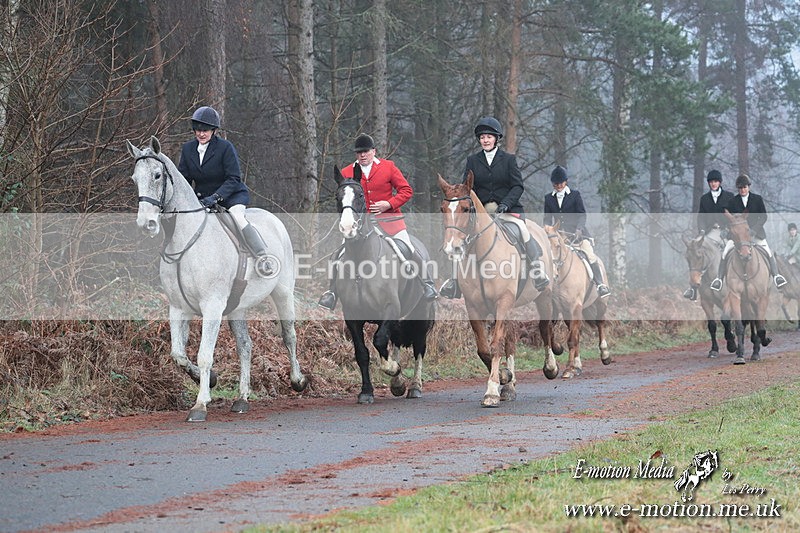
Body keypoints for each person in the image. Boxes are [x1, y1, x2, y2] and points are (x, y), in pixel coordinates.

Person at [317, 133, 437, 310]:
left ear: (374, 151)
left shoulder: (388, 167)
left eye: (366, 152)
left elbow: (406, 191)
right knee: (339, 254)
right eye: (359, 153)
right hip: (359, 226)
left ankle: (427, 284)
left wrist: (388, 204)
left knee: (410, 249)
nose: (362, 155)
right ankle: (332, 292)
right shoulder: (347, 172)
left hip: (389, 221)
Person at [439, 116, 548, 299]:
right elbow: (467, 188)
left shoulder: (508, 160)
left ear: (496, 138)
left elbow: (517, 186)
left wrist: (506, 203)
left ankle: (537, 270)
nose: (485, 140)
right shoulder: (472, 160)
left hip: (507, 209)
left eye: (489, 137)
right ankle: (454, 281)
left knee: (523, 230)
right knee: (460, 239)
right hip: (482, 213)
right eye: (482, 138)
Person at [177, 105, 274, 277]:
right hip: (202, 200)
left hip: (231, 197)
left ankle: (262, 257)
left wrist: (215, 197)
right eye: (198, 129)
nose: (201, 133)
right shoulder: (187, 149)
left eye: (205, 130)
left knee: (237, 218)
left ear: (213, 130)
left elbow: (233, 178)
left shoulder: (225, 148)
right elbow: (184, 180)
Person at [710, 174, 787, 291]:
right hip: (738, 237)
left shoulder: (757, 199)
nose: (742, 190)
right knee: (725, 252)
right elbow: (726, 218)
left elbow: (763, 217)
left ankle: (777, 276)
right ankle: (719, 279)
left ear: (748, 187)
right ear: (738, 189)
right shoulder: (733, 201)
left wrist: (754, 230)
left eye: (744, 187)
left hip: (755, 233)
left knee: (768, 251)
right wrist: (726, 229)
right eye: (740, 188)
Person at [543, 165, 610, 298]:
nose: (558, 186)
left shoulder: (575, 195)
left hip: (578, 235)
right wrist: (546, 230)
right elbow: (547, 218)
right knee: (550, 257)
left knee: (590, 255)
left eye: (561, 183)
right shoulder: (548, 198)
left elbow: (582, 215)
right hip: (560, 237)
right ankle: (546, 286)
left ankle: (600, 284)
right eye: (555, 184)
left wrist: (579, 228)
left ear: (566, 181)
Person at [683, 169, 735, 300]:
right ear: (709, 183)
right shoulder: (705, 198)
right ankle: (692, 288)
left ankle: (735, 280)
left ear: (720, 182)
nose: (714, 184)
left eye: (716, 181)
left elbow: (734, 215)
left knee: (732, 251)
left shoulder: (729, 196)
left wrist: (728, 229)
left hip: (726, 232)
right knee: (695, 249)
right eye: (711, 182)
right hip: (709, 232)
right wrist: (701, 231)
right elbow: (701, 217)